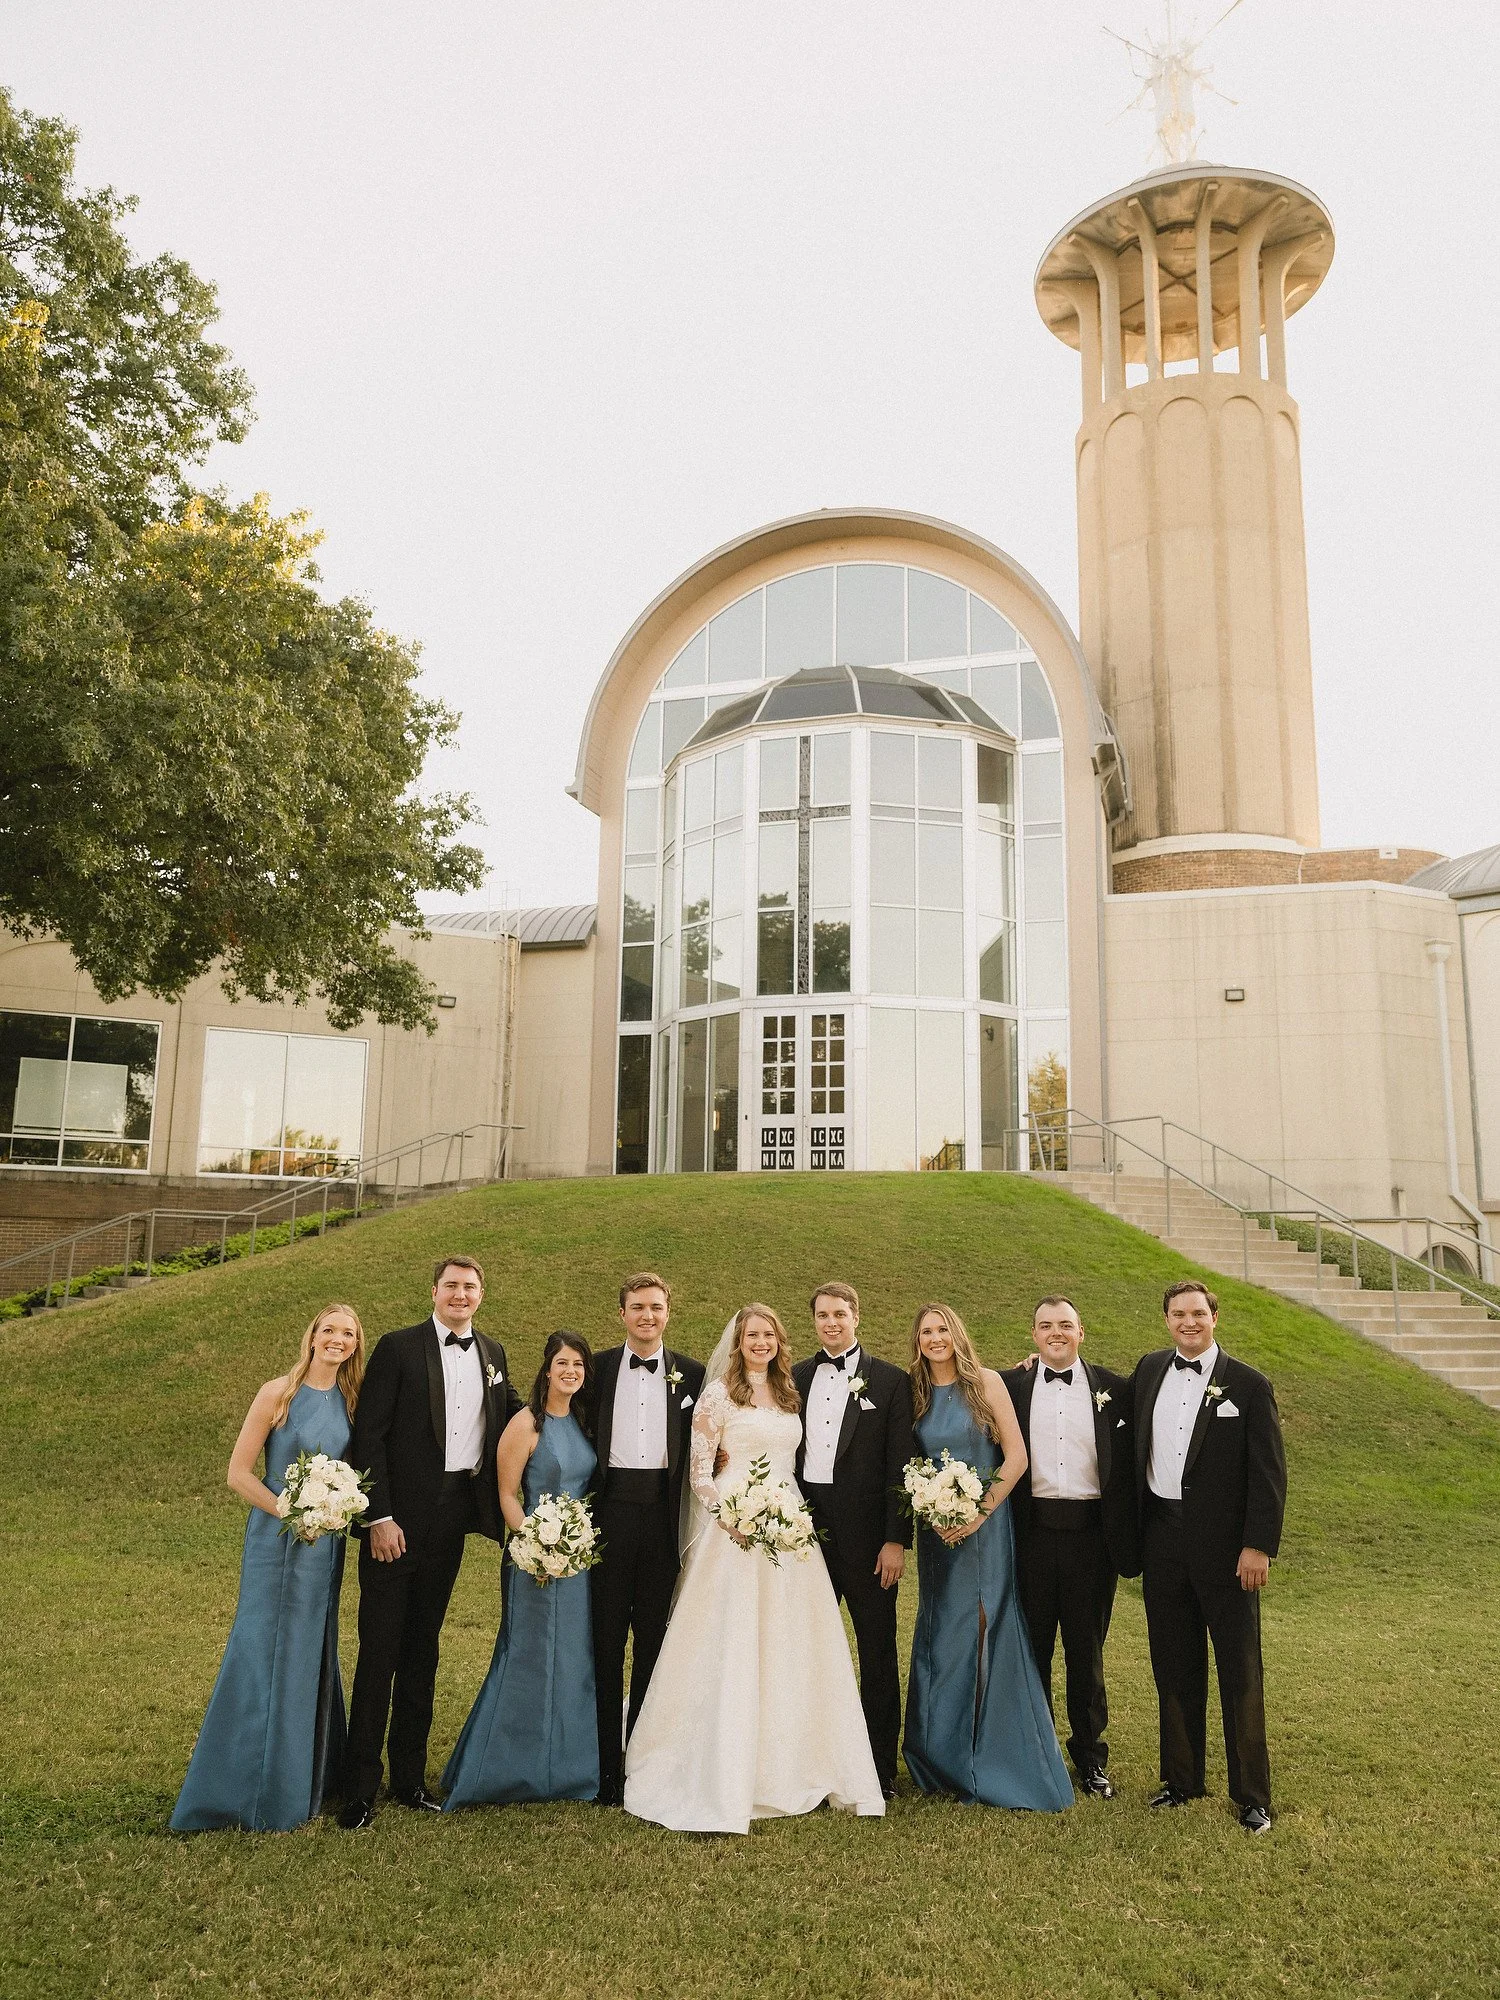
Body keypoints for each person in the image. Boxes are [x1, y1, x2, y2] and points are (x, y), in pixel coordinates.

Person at [623, 1304, 885, 1833]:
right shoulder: (718, 1394)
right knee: (732, 1640)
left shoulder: (793, 1393)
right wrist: (730, 1520)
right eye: (751, 1336)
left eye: (768, 1335)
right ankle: (717, 1758)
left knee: (794, 1643)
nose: (760, 1343)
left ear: (779, 1341)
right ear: (737, 1343)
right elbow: (700, 1474)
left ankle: (795, 1760)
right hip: (734, 1535)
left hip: (791, 1532)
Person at [339, 1256, 523, 1827]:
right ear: (435, 1291)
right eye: (452, 1286)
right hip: (396, 1525)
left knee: (424, 1649)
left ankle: (410, 1780)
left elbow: (513, 1412)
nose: (461, 1295)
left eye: (470, 1287)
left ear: (482, 1294)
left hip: (453, 1522)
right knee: (379, 1652)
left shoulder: (492, 1354)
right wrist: (379, 1517)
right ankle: (359, 1789)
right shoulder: (398, 1348)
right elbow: (369, 1434)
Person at [172, 1303, 365, 1832]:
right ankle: (241, 1788)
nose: (338, 1340)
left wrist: (332, 1510)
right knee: (263, 1648)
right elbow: (238, 1473)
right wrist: (290, 1509)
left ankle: (305, 1779)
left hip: (324, 1547)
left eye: (348, 1334)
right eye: (329, 1329)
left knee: (310, 1649)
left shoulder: (352, 1401)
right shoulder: (276, 1393)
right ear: (312, 1335)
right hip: (276, 1540)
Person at [1130, 1279, 1286, 1832]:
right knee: (1173, 1664)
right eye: (1178, 1314)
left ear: (1214, 1318)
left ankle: (1251, 1795)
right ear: (1166, 1320)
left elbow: (1268, 1475)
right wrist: (1028, 1369)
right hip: (1163, 1542)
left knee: (1239, 1670)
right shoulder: (1149, 1371)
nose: (1188, 1323)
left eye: (1198, 1313)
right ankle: (1182, 1780)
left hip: (1228, 1552)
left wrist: (1257, 1546)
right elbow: (1093, 1398)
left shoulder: (1248, 1385)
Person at [903, 1303, 1072, 1812]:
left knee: (983, 1629)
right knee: (941, 1635)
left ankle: (993, 1759)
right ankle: (938, 1759)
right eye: (927, 1331)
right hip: (936, 1532)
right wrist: (930, 1508)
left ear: (958, 1333)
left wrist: (978, 1513)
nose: (936, 1339)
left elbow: (1017, 1457)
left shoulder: (988, 1384)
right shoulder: (913, 1393)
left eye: (943, 1329)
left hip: (985, 1528)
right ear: (917, 1340)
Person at [442, 1332, 599, 1807]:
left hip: (578, 1564)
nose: (570, 1372)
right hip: (533, 1559)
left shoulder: (584, 1423)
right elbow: (507, 1493)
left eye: (579, 1365)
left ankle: (569, 1771)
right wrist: (535, 1543)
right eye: (562, 1364)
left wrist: (570, 1547)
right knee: (527, 1657)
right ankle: (503, 1769)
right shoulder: (525, 1424)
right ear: (546, 1370)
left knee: (573, 1660)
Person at [1001, 1295, 1136, 1798]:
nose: (1055, 1332)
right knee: (1032, 1650)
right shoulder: (1011, 1385)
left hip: (1092, 1540)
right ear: (1033, 1336)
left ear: (1082, 1332)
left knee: (1087, 1652)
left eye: (1065, 1325)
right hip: (1031, 1535)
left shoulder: (1117, 1390)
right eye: (1045, 1325)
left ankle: (1090, 1757)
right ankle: (1037, 1752)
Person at [790, 1281, 913, 1797]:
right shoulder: (794, 1377)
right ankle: (805, 1758)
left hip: (868, 1541)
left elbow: (900, 1464)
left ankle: (879, 1765)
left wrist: (895, 1540)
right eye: (822, 1315)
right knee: (804, 1648)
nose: (831, 1323)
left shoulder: (890, 1382)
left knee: (877, 1649)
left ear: (856, 1316)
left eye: (840, 1314)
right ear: (814, 1321)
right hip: (806, 1534)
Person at [587, 1272, 705, 1806]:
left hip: (662, 1519)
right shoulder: (598, 1368)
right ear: (622, 1314)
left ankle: (645, 1759)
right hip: (609, 1518)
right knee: (606, 1643)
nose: (647, 1316)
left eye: (656, 1306)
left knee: (655, 1642)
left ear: (668, 1311)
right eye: (638, 1307)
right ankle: (605, 1767)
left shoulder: (693, 1375)